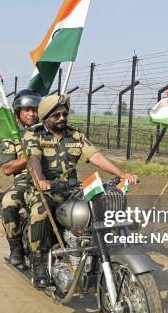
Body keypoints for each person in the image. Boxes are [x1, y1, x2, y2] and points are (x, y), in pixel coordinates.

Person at [24, 95, 138, 288]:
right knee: (40, 212)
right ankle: (39, 262)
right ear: (46, 117)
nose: (62, 118)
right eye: (57, 115)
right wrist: (40, 180)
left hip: (72, 190)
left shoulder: (75, 135)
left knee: (99, 208)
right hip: (44, 190)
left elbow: (95, 156)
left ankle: (94, 254)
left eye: (64, 114)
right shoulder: (33, 135)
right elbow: (34, 158)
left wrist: (122, 173)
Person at [0, 90, 41, 266]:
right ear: (18, 113)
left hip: (50, 179)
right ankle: (15, 247)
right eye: (27, 110)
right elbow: (7, 168)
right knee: (8, 203)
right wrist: (30, 157)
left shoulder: (46, 131)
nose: (32, 114)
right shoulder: (12, 136)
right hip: (24, 182)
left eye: (35, 109)